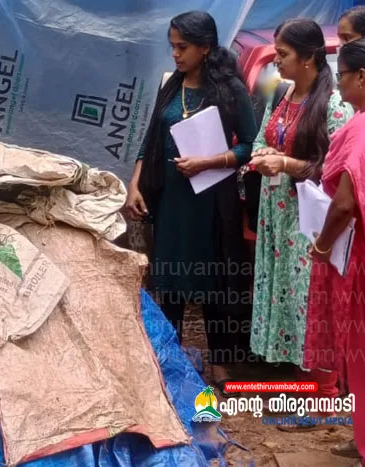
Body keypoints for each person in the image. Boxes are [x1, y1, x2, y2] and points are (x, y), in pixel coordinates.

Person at [125, 11, 257, 393]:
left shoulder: (230, 90)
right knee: (169, 278)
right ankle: (171, 358)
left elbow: (251, 146)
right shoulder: (171, 86)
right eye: (172, 46)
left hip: (212, 203)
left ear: (205, 48)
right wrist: (135, 185)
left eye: (182, 47)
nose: (175, 54)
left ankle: (219, 363)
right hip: (171, 202)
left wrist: (209, 162)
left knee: (212, 278)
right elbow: (150, 140)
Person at [249, 19, 353, 431]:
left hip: (310, 221)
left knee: (313, 303)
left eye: (283, 54)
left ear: (309, 57)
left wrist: (287, 164)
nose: (276, 61)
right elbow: (262, 138)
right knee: (290, 303)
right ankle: (305, 387)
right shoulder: (283, 93)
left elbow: (341, 171)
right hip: (277, 216)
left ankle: (324, 398)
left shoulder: (334, 105)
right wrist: (262, 155)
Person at [303, 38, 365, 466]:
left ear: (362, 76)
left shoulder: (361, 129)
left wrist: (323, 245)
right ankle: (360, 436)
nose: (338, 83)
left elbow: (344, 203)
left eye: (341, 75)